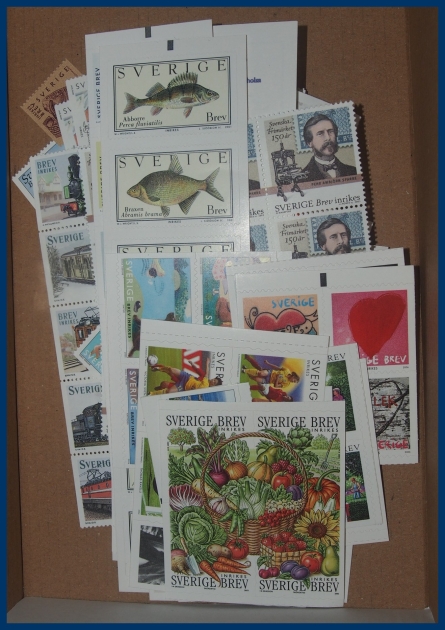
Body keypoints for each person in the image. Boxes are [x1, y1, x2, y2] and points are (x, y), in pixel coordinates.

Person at [302, 113, 357, 181]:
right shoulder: (302, 179)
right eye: (320, 133)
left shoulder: (353, 171)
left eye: (330, 131)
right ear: (309, 143)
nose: (328, 138)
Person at [148, 357, 222, 395]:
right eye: (214, 380)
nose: (213, 381)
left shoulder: (205, 391)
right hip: (186, 377)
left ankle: (152, 393)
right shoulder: (205, 378)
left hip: (183, 386)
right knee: (171, 370)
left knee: (164, 385)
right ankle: (158, 368)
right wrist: (193, 364)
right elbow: (200, 371)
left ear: (214, 386)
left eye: (214, 382)